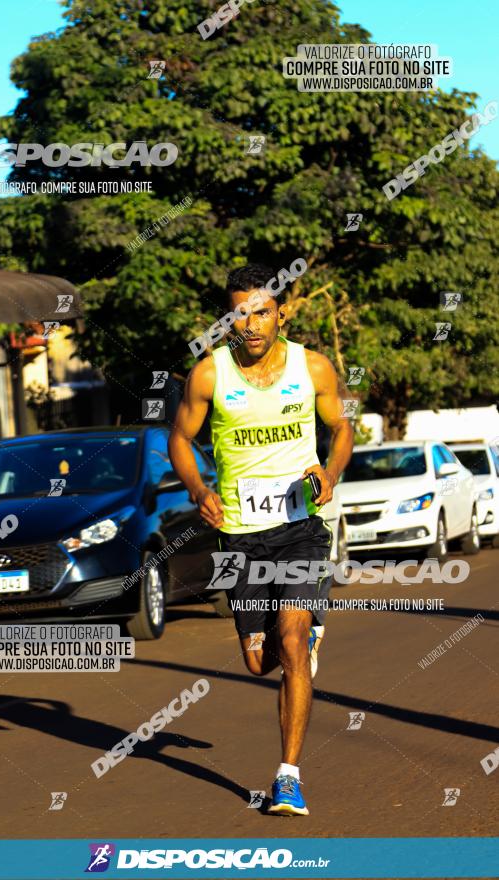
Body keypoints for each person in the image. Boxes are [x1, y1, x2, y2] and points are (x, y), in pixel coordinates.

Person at [168, 263, 353, 816]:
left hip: (300, 530)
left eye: (261, 312)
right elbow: (179, 437)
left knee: (293, 645)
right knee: (257, 661)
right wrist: (199, 487)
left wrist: (331, 472)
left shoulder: (312, 367)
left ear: (281, 314)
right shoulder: (208, 375)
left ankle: (288, 777)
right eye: (239, 313)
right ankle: (295, 643)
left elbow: (342, 427)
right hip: (241, 538)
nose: (250, 324)